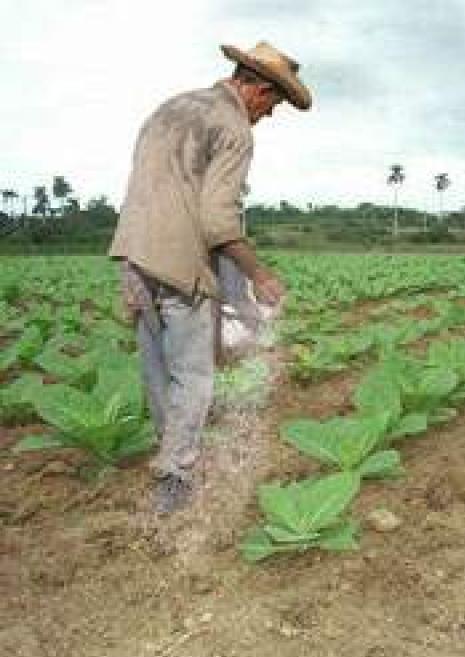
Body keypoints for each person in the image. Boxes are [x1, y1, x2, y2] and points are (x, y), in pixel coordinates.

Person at [110, 41, 312, 513]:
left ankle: (170, 457)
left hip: (135, 257)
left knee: (158, 371)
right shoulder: (234, 125)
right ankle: (175, 479)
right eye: (273, 103)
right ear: (258, 88)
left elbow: (147, 188)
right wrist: (258, 275)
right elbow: (218, 220)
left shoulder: (171, 108)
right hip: (181, 265)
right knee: (194, 379)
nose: (271, 113)